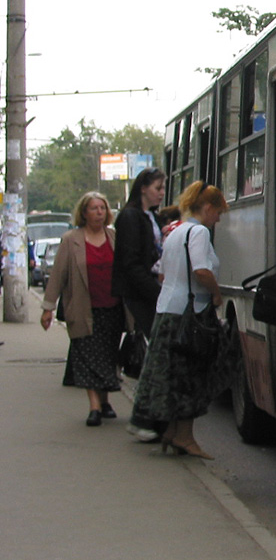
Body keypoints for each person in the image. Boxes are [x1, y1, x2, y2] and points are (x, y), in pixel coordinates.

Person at [131, 181, 233, 459]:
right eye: (218, 212)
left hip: (167, 311)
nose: (219, 218)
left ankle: (172, 432)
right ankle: (186, 437)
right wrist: (215, 294)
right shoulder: (199, 231)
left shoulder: (175, 232)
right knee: (192, 376)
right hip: (191, 315)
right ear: (208, 207)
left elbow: (162, 274)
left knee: (173, 377)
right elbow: (201, 270)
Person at [40, 192, 125, 426]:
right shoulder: (71, 239)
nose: (99, 212)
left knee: (108, 356)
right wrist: (48, 308)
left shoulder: (114, 237)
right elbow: (58, 275)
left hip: (112, 307)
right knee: (87, 356)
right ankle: (94, 407)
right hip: (82, 308)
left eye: (102, 208)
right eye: (93, 208)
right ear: (84, 213)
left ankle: (105, 401)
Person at [113, 167, 167, 442]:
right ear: (143, 187)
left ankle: (151, 418)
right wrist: (157, 292)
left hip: (149, 291)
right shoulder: (130, 217)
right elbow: (130, 263)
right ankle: (143, 417)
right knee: (157, 354)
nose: (161, 193)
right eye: (157, 188)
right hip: (141, 294)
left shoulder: (150, 217)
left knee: (158, 352)